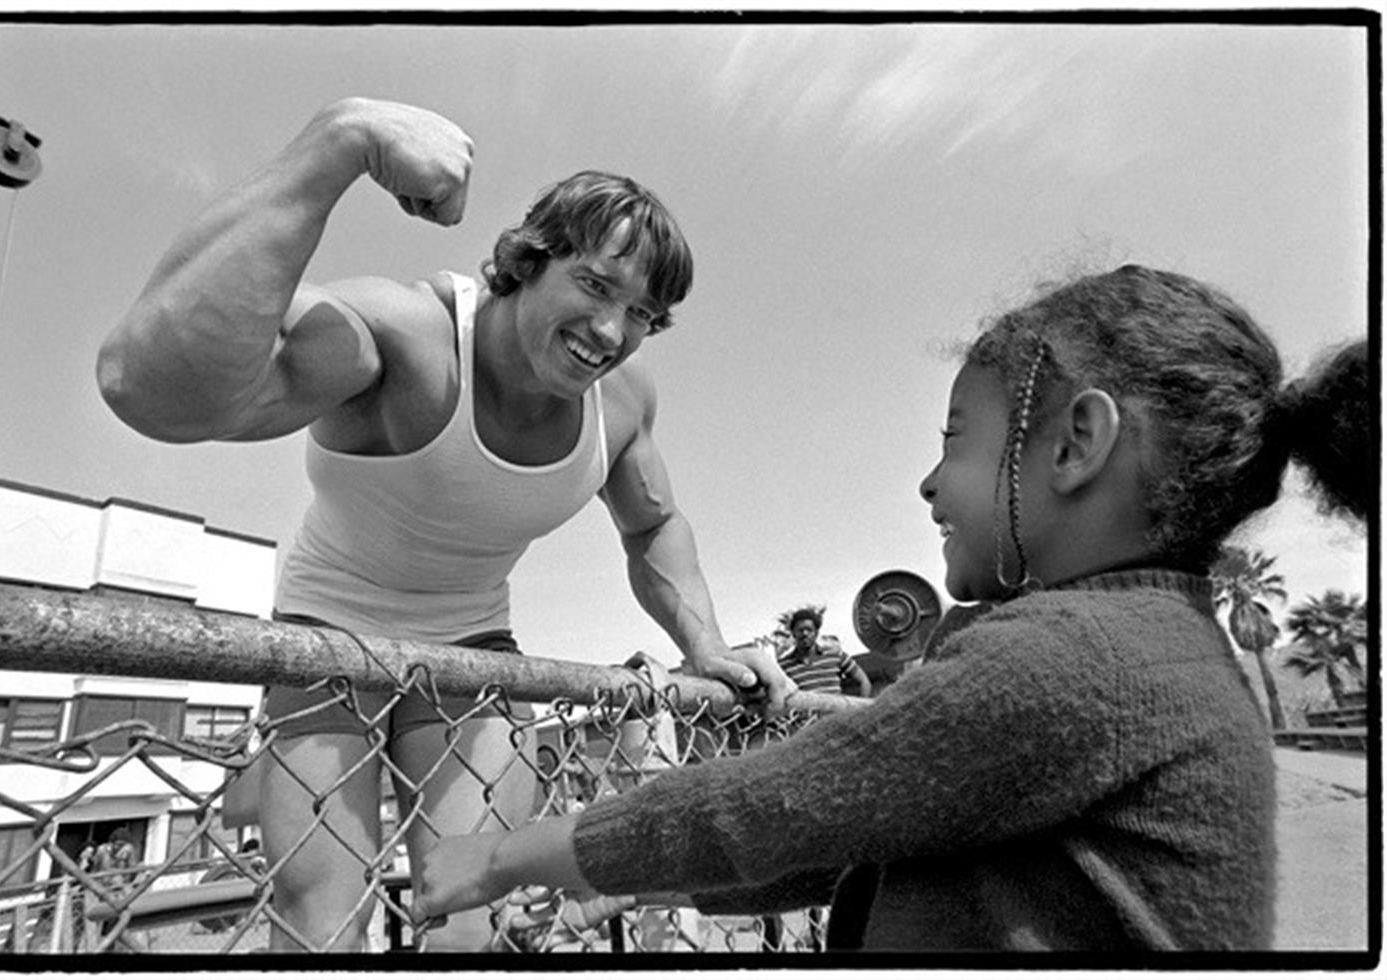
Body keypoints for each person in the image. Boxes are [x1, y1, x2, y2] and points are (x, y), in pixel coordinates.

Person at [408, 266, 1370, 952]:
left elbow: (776, 805)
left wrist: (502, 856)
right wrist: (587, 896)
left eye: (956, 438)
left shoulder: (1078, 661)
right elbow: (834, 843)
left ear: (1077, 444)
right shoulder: (1156, 651)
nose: (926, 481)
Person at [95, 96, 794, 952]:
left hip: (472, 646)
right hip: (324, 639)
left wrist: (706, 642)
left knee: (469, 931)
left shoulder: (622, 400)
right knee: (323, 934)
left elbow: (654, 525)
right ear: (527, 261)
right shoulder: (408, 338)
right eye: (595, 284)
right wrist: (336, 145)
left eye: (643, 314)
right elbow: (148, 385)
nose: (612, 332)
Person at [776, 606, 873, 697]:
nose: (805, 634)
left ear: (816, 632)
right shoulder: (784, 666)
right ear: (793, 633)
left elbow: (864, 682)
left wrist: (863, 709)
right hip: (805, 714)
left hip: (839, 713)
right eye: (800, 630)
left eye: (809, 630)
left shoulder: (836, 655)